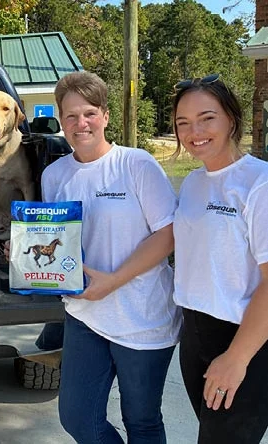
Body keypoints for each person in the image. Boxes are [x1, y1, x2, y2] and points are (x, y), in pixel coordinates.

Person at [42, 70, 182, 443]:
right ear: (60, 121)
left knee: (142, 421)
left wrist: (113, 281)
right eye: (70, 116)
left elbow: (168, 234)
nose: (80, 123)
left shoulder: (136, 165)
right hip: (84, 315)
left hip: (141, 318)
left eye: (88, 113)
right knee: (78, 419)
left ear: (105, 115)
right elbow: (54, 237)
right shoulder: (54, 176)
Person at [171, 74, 268, 443]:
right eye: (183, 123)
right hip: (194, 334)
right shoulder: (194, 182)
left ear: (231, 117)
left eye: (206, 117)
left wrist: (237, 358)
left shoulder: (259, 184)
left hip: (244, 338)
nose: (194, 131)